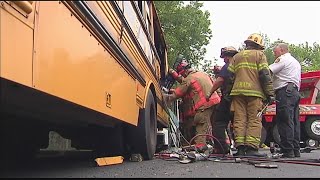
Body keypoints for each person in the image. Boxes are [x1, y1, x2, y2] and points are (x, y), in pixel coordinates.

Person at [227, 33, 275, 157]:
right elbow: (264, 75)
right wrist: (270, 93)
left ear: (247, 44)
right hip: (255, 93)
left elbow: (229, 77)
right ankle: (252, 149)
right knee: (254, 119)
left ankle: (240, 149)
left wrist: (227, 93)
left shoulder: (237, 57)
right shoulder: (260, 55)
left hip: (237, 93)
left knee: (239, 119)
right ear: (259, 46)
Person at [163, 57, 221, 152]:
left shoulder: (189, 78)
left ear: (184, 72)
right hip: (216, 100)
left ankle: (200, 145)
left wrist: (167, 97)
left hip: (204, 103)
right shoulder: (203, 74)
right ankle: (223, 144)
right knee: (216, 124)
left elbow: (179, 92)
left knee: (200, 122)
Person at [269, 43, 301, 158]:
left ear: (282, 50)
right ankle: (295, 150)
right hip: (295, 92)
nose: (274, 54)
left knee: (284, 120)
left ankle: (287, 150)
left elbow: (268, 71)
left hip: (285, 92)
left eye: (275, 51)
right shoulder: (295, 62)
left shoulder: (283, 59)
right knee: (294, 121)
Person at [206, 46, 239, 154]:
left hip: (228, 99)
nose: (224, 59)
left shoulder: (228, 66)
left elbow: (220, 81)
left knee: (218, 122)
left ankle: (221, 148)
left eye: (225, 57)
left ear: (229, 56)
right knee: (239, 123)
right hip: (240, 100)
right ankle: (242, 148)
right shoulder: (240, 66)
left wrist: (210, 93)